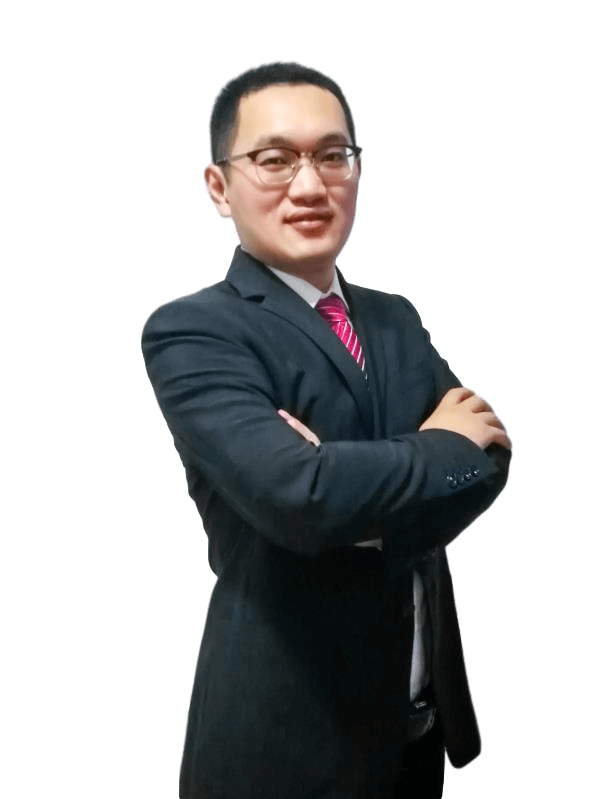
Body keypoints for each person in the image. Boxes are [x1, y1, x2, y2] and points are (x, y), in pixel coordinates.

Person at [142, 61, 511, 799]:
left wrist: (353, 504)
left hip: (419, 733)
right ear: (219, 187)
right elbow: (300, 496)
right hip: (283, 744)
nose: (310, 186)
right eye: (274, 159)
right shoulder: (194, 330)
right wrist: (434, 452)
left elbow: (491, 458)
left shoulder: (394, 317)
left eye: (332, 155)